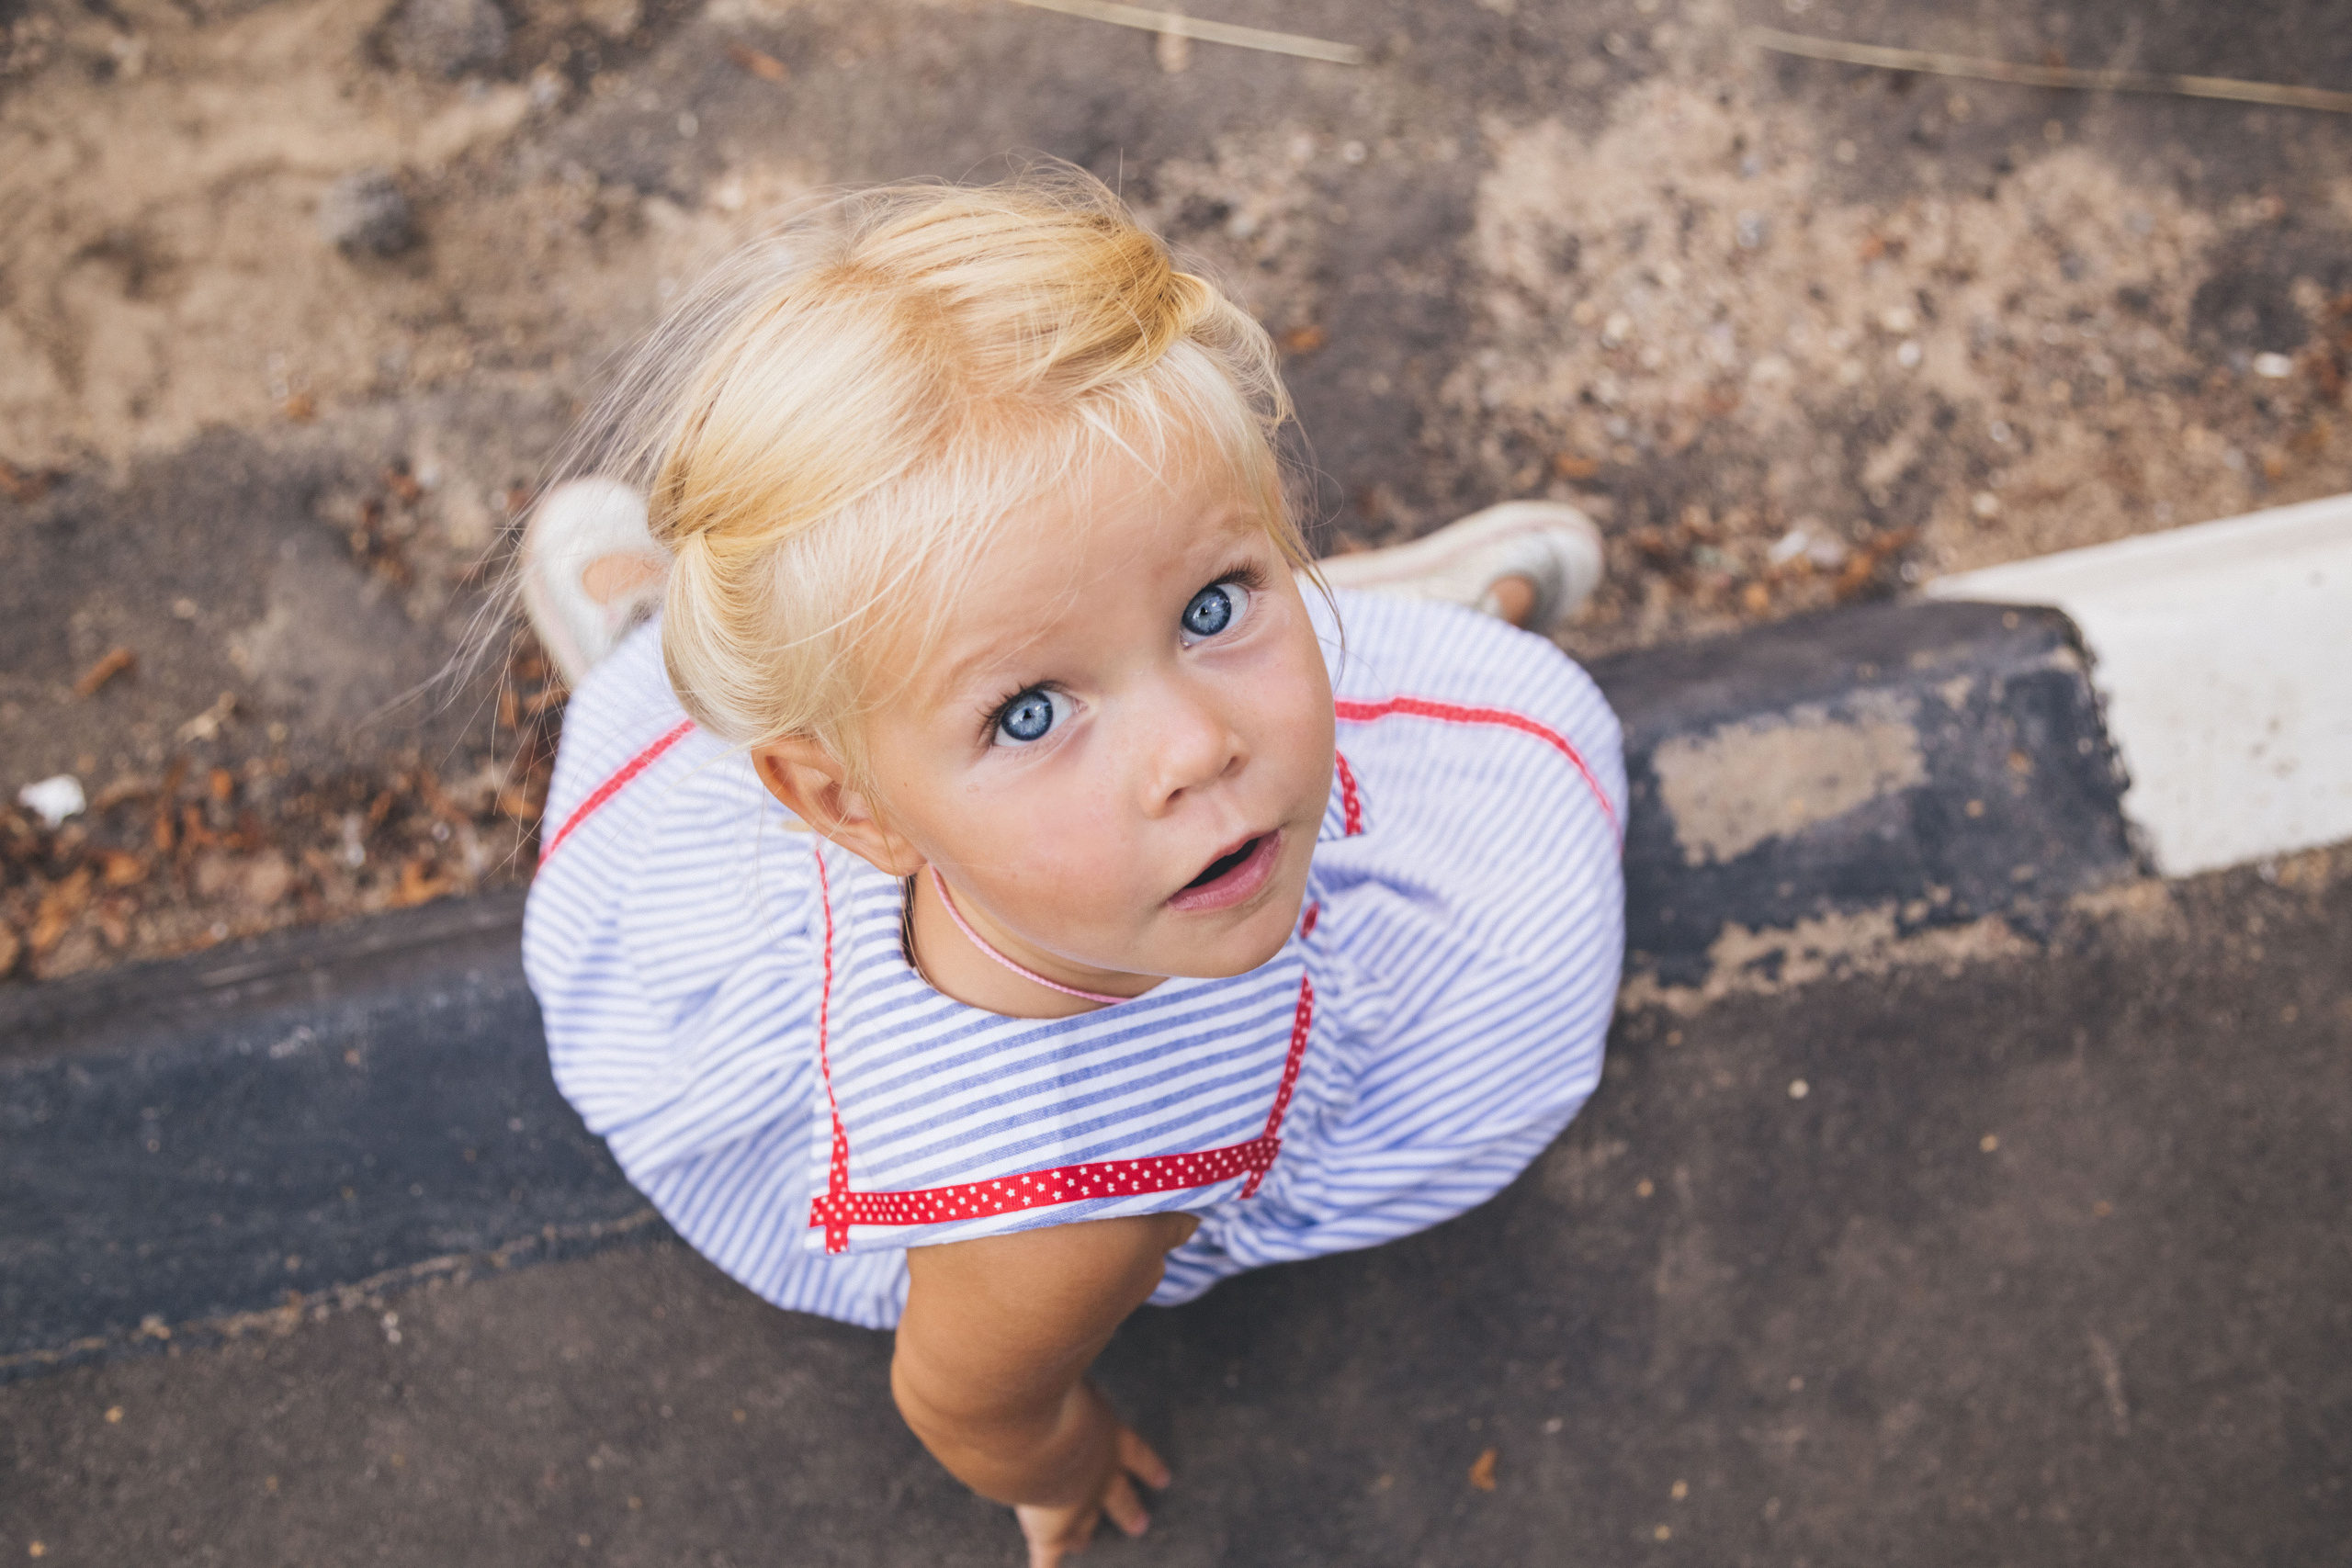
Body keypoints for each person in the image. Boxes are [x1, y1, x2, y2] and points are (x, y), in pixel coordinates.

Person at [518, 170, 1624, 1567]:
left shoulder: (1102, 802)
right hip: (905, 990)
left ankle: (664, 645)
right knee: (802, 668)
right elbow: (969, 1400)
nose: (1194, 745)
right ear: (848, 808)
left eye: (1222, 599)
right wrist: (1062, 1461)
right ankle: (653, 647)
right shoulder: (1061, 1194)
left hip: (996, 858)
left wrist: (1087, 680)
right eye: (1030, 712)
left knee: (972, 638)